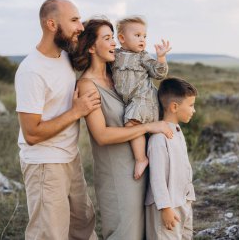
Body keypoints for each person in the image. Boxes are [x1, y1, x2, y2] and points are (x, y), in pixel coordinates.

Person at [70, 18, 173, 240]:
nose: (114, 43)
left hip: (141, 167)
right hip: (118, 175)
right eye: (107, 39)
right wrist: (149, 125)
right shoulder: (87, 85)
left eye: (113, 38)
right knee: (125, 234)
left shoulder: (116, 75)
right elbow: (102, 136)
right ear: (90, 47)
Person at [14, 0, 100, 240]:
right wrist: (76, 111)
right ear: (52, 24)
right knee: (50, 234)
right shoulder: (31, 71)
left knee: (83, 226)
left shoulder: (64, 56)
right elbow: (31, 134)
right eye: (74, 20)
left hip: (70, 158)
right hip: (45, 165)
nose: (80, 26)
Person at [111, 16, 171, 179]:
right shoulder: (115, 56)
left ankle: (141, 159)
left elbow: (159, 73)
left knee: (131, 123)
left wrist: (161, 57)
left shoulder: (143, 56)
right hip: (130, 101)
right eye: (137, 35)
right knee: (135, 125)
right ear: (122, 38)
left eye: (144, 36)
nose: (142, 40)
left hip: (143, 99)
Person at [145, 77, 198, 240]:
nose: (193, 110)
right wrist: (165, 208)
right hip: (167, 207)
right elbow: (157, 177)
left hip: (182, 201)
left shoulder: (177, 131)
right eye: (191, 105)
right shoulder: (159, 139)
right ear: (174, 106)